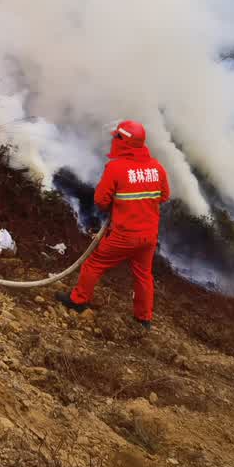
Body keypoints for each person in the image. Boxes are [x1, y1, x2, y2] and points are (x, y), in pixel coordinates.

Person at [58, 120, 170, 329]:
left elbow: (101, 201)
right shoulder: (157, 168)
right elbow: (164, 196)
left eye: (116, 137)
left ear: (123, 141)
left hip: (125, 235)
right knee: (144, 274)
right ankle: (144, 318)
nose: (113, 140)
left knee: (94, 263)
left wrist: (121, 203)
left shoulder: (116, 168)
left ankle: (78, 301)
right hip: (149, 237)